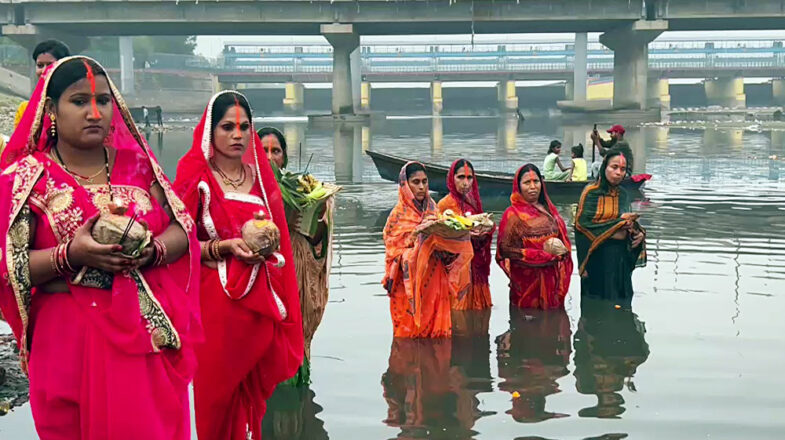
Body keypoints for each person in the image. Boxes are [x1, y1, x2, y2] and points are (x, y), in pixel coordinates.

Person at [0, 56, 201, 439]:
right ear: (52, 110)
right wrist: (70, 255)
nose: (95, 112)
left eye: (104, 101)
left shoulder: (139, 166)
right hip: (66, 339)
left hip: (143, 337)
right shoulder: (26, 178)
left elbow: (182, 230)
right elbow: (7, 265)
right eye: (79, 101)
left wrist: (153, 251)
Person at [173, 91, 303, 440]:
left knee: (253, 408)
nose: (238, 135)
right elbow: (175, 246)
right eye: (227, 126)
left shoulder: (261, 179)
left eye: (244, 127)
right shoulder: (195, 179)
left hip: (259, 307)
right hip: (214, 311)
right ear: (209, 132)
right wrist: (222, 246)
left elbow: (281, 245)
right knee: (214, 405)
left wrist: (266, 249)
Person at [260, 126, 334, 386]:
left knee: (295, 331)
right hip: (263, 278)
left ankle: (297, 392)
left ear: (285, 157)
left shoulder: (300, 188)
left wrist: (314, 221)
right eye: (263, 150)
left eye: (276, 151)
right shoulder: (244, 192)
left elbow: (317, 243)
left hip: (296, 271)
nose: (270, 157)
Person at [382, 162, 473, 338]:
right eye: (416, 182)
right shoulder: (397, 217)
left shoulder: (434, 210)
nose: (422, 187)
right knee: (407, 342)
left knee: (438, 341)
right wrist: (418, 235)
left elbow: (445, 252)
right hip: (408, 289)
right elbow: (394, 256)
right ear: (405, 185)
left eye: (425, 181)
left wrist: (456, 239)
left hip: (435, 283)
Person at [496, 164, 573, 309]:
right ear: (518, 186)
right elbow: (505, 250)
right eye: (527, 183)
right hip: (526, 282)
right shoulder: (512, 215)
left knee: (552, 323)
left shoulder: (549, 209)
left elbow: (563, 239)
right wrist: (541, 256)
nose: (533, 187)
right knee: (527, 325)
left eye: (536, 182)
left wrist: (562, 252)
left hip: (551, 279)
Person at [574, 150, 646, 303]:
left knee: (622, 303)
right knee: (596, 308)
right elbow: (583, 226)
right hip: (597, 260)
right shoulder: (591, 193)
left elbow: (629, 223)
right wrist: (617, 226)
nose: (618, 173)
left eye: (623, 169)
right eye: (614, 167)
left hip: (620, 261)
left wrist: (638, 234)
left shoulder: (624, 195)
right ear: (604, 167)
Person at [436, 159, 494, 310]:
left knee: (479, 315)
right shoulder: (444, 205)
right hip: (456, 270)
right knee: (458, 314)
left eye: (469, 178)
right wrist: (465, 236)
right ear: (451, 178)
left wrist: (485, 232)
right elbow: (438, 240)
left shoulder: (473, 202)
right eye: (461, 177)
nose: (465, 183)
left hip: (476, 267)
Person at [13, 40, 71, 129]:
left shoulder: (76, 104)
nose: (44, 71)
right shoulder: (25, 109)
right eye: (40, 65)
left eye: (50, 65)